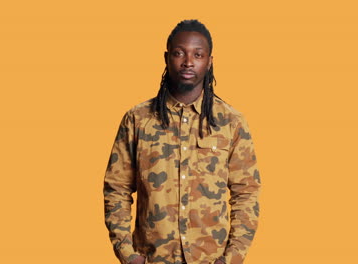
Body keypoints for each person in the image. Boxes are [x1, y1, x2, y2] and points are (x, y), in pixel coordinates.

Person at [103, 19, 261, 264]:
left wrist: (232, 258)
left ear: (209, 61)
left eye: (198, 54)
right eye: (179, 53)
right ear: (167, 58)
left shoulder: (231, 122)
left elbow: (247, 193)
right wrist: (128, 255)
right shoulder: (137, 119)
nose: (188, 62)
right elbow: (116, 189)